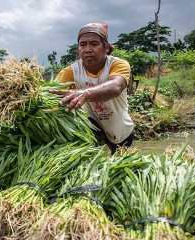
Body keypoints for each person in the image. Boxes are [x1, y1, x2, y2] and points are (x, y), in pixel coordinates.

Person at [50, 22, 134, 154]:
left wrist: (84, 93)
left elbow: (116, 86)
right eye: (83, 44)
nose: (87, 49)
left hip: (118, 125)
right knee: (91, 163)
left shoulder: (118, 64)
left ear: (106, 47)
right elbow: (52, 92)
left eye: (94, 44)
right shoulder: (71, 72)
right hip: (91, 123)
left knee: (121, 162)